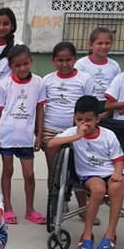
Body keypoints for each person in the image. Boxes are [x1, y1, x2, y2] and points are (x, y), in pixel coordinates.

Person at [48, 96, 124, 249]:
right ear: (74, 119)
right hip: (90, 174)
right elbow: (51, 143)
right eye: (79, 119)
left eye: (89, 120)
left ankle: (110, 234)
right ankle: (87, 233)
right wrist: (77, 137)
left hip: (111, 170)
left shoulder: (108, 135)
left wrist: (118, 173)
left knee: (117, 186)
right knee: (98, 190)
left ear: (98, 119)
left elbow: (118, 159)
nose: (84, 123)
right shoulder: (73, 132)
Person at [0, 44, 46, 224]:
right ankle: (7, 208)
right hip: (7, 135)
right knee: (7, 171)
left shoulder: (38, 83)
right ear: (11, 66)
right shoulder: (4, 85)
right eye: (17, 65)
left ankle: (30, 210)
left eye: (25, 64)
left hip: (26, 137)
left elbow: (40, 109)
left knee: (29, 174)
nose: (22, 68)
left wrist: (39, 134)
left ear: (31, 61)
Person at [42, 42, 94, 190]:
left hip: (77, 131)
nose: (64, 64)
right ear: (53, 60)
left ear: (75, 59)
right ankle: (54, 200)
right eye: (60, 60)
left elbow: (89, 105)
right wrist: (38, 132)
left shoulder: (85, 79)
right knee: (54, 170)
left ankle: (82, 201)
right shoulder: (47, 80)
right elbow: (40, 107)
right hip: (51, 130)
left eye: (68, 60)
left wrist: (84, 128)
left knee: (78, 170)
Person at [75, 27, 121, 102]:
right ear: (90, 45)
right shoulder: (81, 65)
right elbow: (76, 88)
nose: (104, 46)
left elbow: (117, 89)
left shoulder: (115, 66)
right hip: (87, 104)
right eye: (100, 43)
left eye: (107, 43)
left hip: (108, 104)